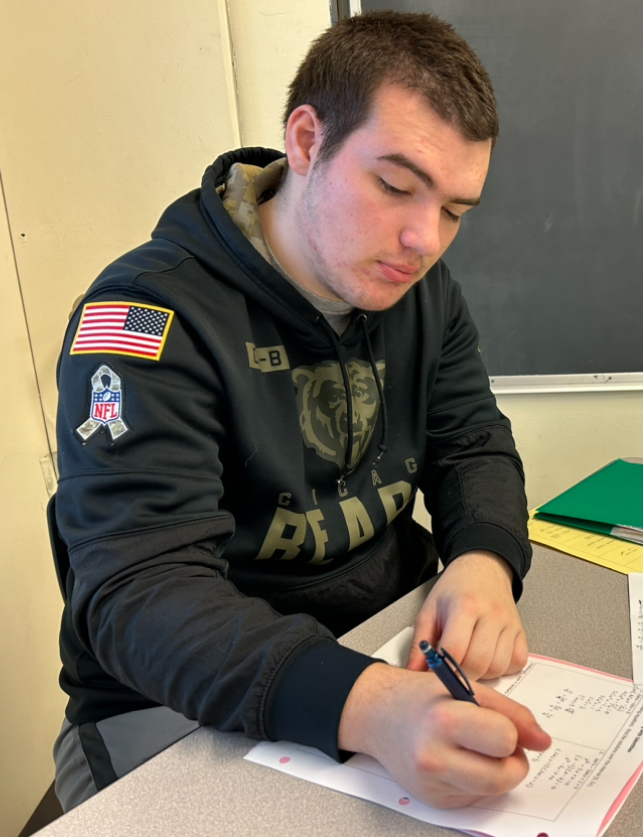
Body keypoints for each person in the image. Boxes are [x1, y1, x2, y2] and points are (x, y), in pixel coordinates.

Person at [51, 10, 550, 812]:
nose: (424, 239)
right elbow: (140, 591)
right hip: (177, 698)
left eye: (456, 210)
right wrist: (368, 704)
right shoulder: (143, 315)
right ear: (307, 141)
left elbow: (473, 443)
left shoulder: (420, 289)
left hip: (380, 644)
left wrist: (483, 561)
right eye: (394, 185)